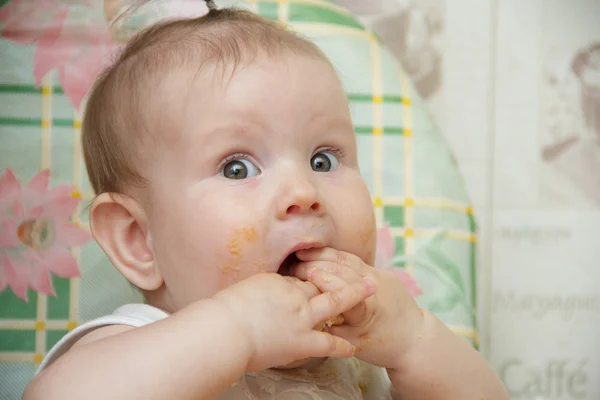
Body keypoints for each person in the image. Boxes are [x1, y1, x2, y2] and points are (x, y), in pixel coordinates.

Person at [23, 1, 509, 399]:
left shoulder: (359, 360)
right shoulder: (135, 346)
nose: (304, 192)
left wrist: (412, 340)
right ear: (138, 241)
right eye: (238, 168)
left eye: (323, 160)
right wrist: (237, 331)